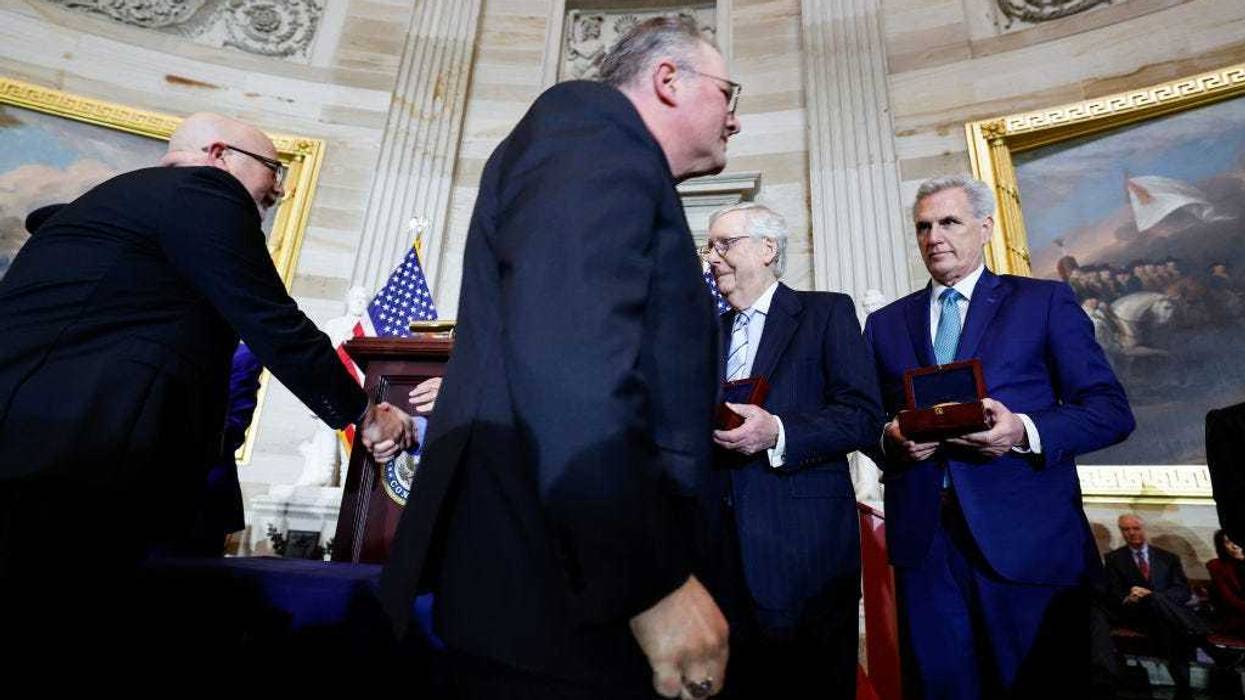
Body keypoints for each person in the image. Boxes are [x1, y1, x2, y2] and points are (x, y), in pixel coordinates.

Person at [381, 16, 741, 700]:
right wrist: (650, 582)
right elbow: (575, 361)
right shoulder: (589, 128)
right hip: (558, 596)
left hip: (566, 591)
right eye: (729, 94)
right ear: (669, 80)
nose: (736, 119)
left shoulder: (601, 149)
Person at [0, 113, 414, 640]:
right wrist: (364, 412)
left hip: (37, 444)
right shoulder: (204, 190)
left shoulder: (108, 206)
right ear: (219, 153)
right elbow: (268, 318)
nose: (280, 188)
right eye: (272, 169)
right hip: (75, 455)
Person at [862, 174, 1135, 698]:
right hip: (926, 549)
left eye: (949, 222)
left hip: (1027, 544)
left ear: (985, 227)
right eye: (923, 226)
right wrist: (889, 440)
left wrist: (1023, 430)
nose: (933, 237)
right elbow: (868, 419)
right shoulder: (886, 324)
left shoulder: (1043, 302)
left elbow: (1109, 411)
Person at [703, 202, 882, 698]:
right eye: (710, 246)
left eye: (725, 244)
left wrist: (778, 431)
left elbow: (863, 416)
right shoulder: (704, 333)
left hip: (804, 555)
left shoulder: (826, 313)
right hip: (717, 554)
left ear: (768, 248)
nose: (712, 257)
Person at [1104, 514, 1208, 700]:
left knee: (1169, 626)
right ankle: (1203, 648)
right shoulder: (1114, 559)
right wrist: (1129, 597)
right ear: (1121, 531)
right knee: (1172, 623)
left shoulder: (1168, 558)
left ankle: (1183, 687)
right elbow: (1112, 593)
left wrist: (1154, 596)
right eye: (1125, 529)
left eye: (1135, 528)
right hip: (1136, 614)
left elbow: (1182, 591)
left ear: (1144, 529)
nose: (1131, 533)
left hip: (1164, 618)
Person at [1207, 529, 1245, 635]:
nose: (1235, 546)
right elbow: (1230, 599)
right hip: (1237, 619)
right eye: (1228, 542)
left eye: (1238, 541)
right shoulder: (1217, 567)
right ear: (1222, 546)